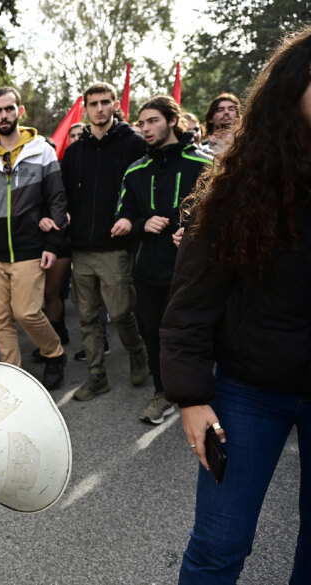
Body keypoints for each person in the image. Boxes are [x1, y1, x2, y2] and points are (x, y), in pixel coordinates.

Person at [160, 28, 311, 584]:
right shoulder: (236, 186)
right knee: (219, 547)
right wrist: (192, 397)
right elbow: (191, 303)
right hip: (250, 392)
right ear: (291, 92)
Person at [0, 86, 67, 390]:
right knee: (1, 318)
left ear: (20, 111)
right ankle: (12, 374)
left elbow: (57, 200)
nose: (3, 115)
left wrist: (54, 244)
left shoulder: (43, 151)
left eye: (9, 109)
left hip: (30, 247)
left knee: (27, 312)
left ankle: (54, 353)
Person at [113, 96, 211, 424]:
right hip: (148, 268)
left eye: (152, 120)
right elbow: (123, 213)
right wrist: (140, 223)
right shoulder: (136, 169)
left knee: (195, 332)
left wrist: (195, 230)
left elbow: (224, 212)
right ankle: (163, 392)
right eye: (141, 123)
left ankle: (203, 395)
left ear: (172, 120)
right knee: (153, 332)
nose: (145, 128)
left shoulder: (203, 162)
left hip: (193, 268)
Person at [60, 82, 150, 401]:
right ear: (85, 108)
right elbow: (64, 196)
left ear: (115, 105)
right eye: (93, 103)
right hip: (81, 248)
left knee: (122, 311)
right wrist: (62, 217)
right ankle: (97, 374)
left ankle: (138, 354)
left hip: (115, 247)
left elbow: (142, 192)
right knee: (87, 316)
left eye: (105, 102)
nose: (99, 108)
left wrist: (130, 219)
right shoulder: (73, 153)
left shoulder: (134, 145)